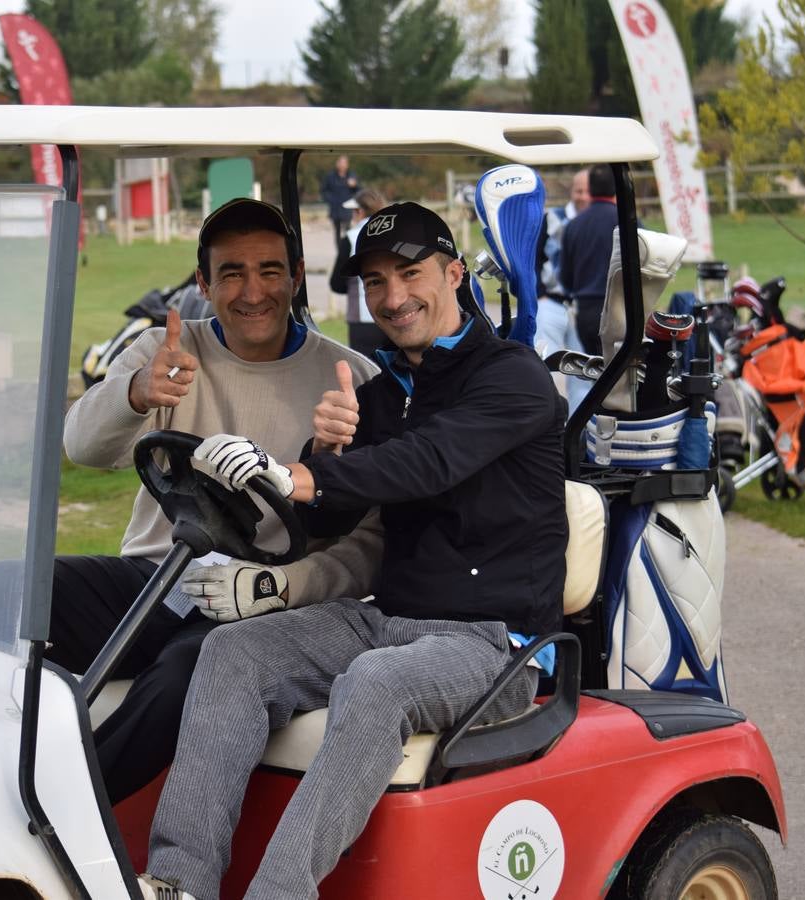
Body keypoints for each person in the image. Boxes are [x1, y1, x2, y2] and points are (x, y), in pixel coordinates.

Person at [139, 202, 568, 900]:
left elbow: (428, 462)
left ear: (454, 272)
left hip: (497, 642)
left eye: (409, 273)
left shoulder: (513, 378)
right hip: (389, 619)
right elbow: (334, 512)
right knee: (234, 651)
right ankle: (180, 882)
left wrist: (298, 472)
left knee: (374, 682)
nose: (394, 298)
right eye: (374, 282)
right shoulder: (379, 392)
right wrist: (326, 449)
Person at [0, 198, 381, 805]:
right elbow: (81, 447)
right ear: (203, 282)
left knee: (187, 673)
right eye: (231, 273)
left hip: (262, 602)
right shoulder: (167, 351)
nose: (252, 291)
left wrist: (281, 582)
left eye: (269, 271)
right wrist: (134, 392)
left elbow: (369, 542)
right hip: (154, 577)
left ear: (297, 275)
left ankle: (58, 808)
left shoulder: (351, 379)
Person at [536, 169, 590, 412]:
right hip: (552, 302)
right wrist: (539, 294)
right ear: (572, 192)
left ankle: (578, 433)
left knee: (584, 374)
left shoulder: (603, 221)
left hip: (583, 307)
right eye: (579, 191)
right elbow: (534, 257)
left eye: (589, 191)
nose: (584, 197)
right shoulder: (552, 219)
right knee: (541, 366)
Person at [559, 164, 620, 355]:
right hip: (620, 308)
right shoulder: (627, 222)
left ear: (591, 188)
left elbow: (565, 278)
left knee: (597, 372)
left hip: (586, 310)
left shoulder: (574, 225)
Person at [327, 187, 389, 360]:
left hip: (361, 320)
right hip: (393, 314)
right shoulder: (392, 234)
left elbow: (337, 284)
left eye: (354, 212)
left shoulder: (351, 237)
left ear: (360, 211)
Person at [320, 155, 359, 251]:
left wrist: (354, 185)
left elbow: (358, 191)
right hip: (335, 208)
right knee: (337, 232)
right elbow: (324, 191)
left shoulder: (352, 175)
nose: (342, 165)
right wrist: (331, 200)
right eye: (340, 162)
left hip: (347, 208)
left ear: (347, 165)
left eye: (344, 163)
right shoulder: (330, 176)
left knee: (348, 231)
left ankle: (349, 250)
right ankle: (339, 252)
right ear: (337, 164)